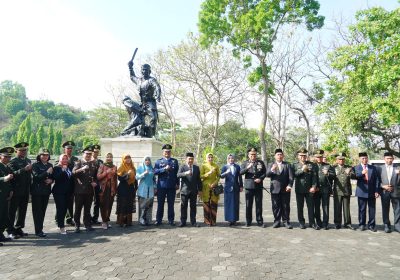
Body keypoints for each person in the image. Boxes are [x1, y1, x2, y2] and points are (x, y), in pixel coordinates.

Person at [125, 62, 161, 137]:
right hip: (141, 103)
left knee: (153, 118)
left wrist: (158, 95)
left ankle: (151, 135)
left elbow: (157, 87)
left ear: (149, 71)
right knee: (136, 119)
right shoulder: (139, 80)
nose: (144, 71)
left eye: (146, 70)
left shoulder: (151, 80)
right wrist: (130, 68)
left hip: (150, 102)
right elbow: (132, 77)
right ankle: (134, 131)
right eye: (143, 70)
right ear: (141, 71)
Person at [8, 142, 32, 238]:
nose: (23, 152)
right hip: (16, 190)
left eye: (25, 150)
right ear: (16, 151)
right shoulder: (12, 161)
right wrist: (24, 169)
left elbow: (29, 177)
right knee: (12, 212)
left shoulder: (28, 160)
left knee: (22, 211)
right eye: (21, 150)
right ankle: (10, 230)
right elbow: (12, 174)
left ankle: (18, 228)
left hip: (25, 190)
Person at [266, 149, 294, 229]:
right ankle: (277, 221)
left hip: (285, 189)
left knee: (285, 206)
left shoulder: (287, 165)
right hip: (275, 189)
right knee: (276, 206)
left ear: (283, 156)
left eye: (281, 154)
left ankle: (286, 221)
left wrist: (290, 185)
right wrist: (272, 169)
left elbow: (291, 177)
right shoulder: (271, 164)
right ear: (275, 156)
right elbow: (267, 174)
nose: (279, 156)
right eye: (278, 154)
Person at [72, 146, 97, 233]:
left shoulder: (93, 163)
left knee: (87, 209)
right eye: (87, 153)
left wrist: (95, 182)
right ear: (83, 154)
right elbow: (73, 173)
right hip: (79, 190)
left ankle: (87, 224)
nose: (88, 155)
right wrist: (81, 169)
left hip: (89, 191)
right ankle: (77, 225)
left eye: (90, 154)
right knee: (78, 209)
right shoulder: (79, 162)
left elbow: (96, 176)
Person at [292, 148, 319, 230]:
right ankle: (301, 222)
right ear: (298, 156)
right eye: (301, 155)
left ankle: (312, 223)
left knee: (311, 207)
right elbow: (294, 175)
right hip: (299, 189)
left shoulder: (312, 164)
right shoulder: (294, 165)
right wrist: (302, 170)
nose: (303, 157)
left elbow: (314, 177)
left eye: (304, 155)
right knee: (300, 207)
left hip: (309, 190)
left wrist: (314, 187)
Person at [240, 148, 267, 227]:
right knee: (248, 205)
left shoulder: (260, 162)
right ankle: (248, 221)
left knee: (259, 205)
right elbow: (240, 172)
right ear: (248, 155)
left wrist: (260, 179)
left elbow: (264, 173)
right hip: (249, 186)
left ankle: (259, 221)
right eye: (251, 154)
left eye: (254, 154)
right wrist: (247, 167)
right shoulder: (245, 163)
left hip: (258, 186)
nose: (253, 156)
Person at [353, 152, 380, 232]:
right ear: (360, 159)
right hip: (361, 192)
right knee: (362, 209)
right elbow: (355, 177)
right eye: (363, 158)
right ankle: (362, 224)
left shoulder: (373, 168)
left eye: (366, 158)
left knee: (372, 209)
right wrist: (362, 173)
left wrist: (377, 190)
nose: (365, 160)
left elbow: (377, 180)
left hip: (372, 192)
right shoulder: (356, 168)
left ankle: (371, 225)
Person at [154, 144, 179, 226]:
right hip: (161, 186)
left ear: (170, 152)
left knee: (171, 204)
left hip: (171, 186)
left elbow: (176, 174)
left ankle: (171, 220)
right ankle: (158, 220)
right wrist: (164, 169)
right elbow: (155, 172)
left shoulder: (174, 161)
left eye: (168, 151)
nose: (167, 153)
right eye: (165, 151)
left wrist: (177, 183)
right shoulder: (158, 161)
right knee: (160, 204)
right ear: (163, 152)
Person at [31, 148, 53, 237]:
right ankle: (38, 230)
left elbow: (52, 176)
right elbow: (36, 177)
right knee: (37, 212)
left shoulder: (50, 165)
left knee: (43, 211)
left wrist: (51, 180)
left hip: (46, 191)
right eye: (43, 155)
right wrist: (46, 172)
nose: (45, 156)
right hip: (37, 191)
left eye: (46, 155)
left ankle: (40, 229)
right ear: (39, 156)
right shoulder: (35, 165)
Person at [177, 152, 202, 227]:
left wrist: (200, 190)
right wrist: (185, 173)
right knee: (183, 206)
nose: (190, 160)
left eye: (192, 159)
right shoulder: (182, 166)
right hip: (185, 190)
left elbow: (198, 180)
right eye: (189, 159)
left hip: (194, 190)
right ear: (186, 159)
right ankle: (183, 221)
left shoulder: (196, 168)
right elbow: (178, 175)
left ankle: (193, 222)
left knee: (193, 206)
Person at [377, 152, 400, 233]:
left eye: (391, 158)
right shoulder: (379, 168)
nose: (389, 160)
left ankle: (397, 226)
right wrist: (383, 186)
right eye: (387, 158)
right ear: (384, 159)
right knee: (385, 209)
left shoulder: (398, 168)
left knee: (397, 210)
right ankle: (386, 225)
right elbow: (377, 181)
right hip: (384, 192)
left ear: (393, 159)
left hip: (395, 192)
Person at [332, 152, 354, 230]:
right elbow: (331, 178)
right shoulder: (333, 167)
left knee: (346, 208)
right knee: (337, 208)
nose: (341, 161)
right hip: (337, 190)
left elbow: (354, 176)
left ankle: (347, 223)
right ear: (337, 160)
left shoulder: (349, 167)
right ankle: (337, 223)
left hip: (346, 190)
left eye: (343, 159)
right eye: (339, 159)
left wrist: (349, 174)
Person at [314, 149, 335, 230]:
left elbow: (333, 176)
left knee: (325, 207)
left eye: (320, 157)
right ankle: (318, 223)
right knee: (317, 207)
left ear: (322, 157)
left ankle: (325, 223)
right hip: (316, 190)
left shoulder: (328, 166)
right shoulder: (313, 166)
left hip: (325, 189)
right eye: (317, 157)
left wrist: (328, 173)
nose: (319, 158)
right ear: (315, 157)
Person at [52, 154, 73, 234]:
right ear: (60, 160)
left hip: (68, 192)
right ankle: (61, 226)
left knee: (64, 209)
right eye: (63, 159)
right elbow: (56, 178)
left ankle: (62, 224)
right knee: (60, 208)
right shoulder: (57, 168)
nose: (65, 160)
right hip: (59, 192)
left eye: (66, 159)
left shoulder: (69, 167)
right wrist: (63, 170)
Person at [220, 154, 243, 226]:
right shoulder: (225, 166)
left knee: (235, 204)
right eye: (229, 158)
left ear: (234, 159)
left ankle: (235, 219)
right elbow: (221, 176)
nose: (231, 159)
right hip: (228, 187)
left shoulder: (237, 166)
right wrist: (226, 172)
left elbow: (240, 177)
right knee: (228, 204)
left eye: (232, 158)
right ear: (227, 159)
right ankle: (229, 220)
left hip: (236, 187)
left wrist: (241, 186)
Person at [96, 152, 117, 230]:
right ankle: (104, 221)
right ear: (106, 158)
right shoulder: (102, 166)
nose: (109, 158)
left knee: (110, 205)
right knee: (103, 205)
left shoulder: (114, 167)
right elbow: (98, 177)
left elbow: (115, 179)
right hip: (104, 189)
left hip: (111, 189)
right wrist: (106, 172)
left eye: (110, 157)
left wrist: (115, 189)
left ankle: (107, 220)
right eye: (108, 157)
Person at [200, 153, 220, 226]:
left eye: (211, 157)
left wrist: (215, 182)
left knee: (214, 204)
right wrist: (208, 173)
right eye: (209, 157)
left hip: (214, 187)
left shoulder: (216, 166)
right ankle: (207, 221)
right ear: (206, 158)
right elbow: (200, 176)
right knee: (206, 204)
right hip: (206, 187)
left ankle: (213, 221)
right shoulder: (203, 165)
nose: (210, 159)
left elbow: (219, 176)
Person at [116, 154, 136, 227]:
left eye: (129, 158)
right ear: (123, 159)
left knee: (129, 204)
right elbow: (120, 179)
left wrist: (136, 188)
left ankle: (128, 222)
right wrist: (127, 174)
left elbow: (135, 179)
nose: (128, 159)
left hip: (130, 188)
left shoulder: (133, 167)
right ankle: (121, 222)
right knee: (123, 205)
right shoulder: (121, 167)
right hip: (123, 189)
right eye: (126, 158)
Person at [62, 141, 79, 226]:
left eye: (71, 148)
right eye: (68, 148)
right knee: (62, 202)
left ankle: (69, 218)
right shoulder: (61, 158)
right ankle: (59, 218)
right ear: (64, 149)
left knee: (70, 202)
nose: (69, 150)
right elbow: (56, 167)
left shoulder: (75, 159)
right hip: (63, 183)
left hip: (72, 183)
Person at [0, 147, 14, 244]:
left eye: (9, 157)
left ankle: (1, 234)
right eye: (5, 156)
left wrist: (11, 190)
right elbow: (5, 179)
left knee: (4, 216)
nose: (7, 159)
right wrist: (4, 178)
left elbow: (10, 181)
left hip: (5, 195)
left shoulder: (7, 166)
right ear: (0, 156)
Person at [136, 156, 155, 226]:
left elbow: (154, 178)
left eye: (148, 160)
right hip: (143, 189)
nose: (147, 161)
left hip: (150, 189)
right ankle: (141, 219)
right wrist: (143, 173)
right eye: (146, 160)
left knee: (149, 205)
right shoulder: (141, 167)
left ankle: (148, 219)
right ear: (144, 161)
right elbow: (137, 177)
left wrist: (155, 187)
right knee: (142, 205)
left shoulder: (152, 168)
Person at [91, 144, 103, 225]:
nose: (96, 153)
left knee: (97, 202)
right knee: (87, 202)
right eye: (94, 152)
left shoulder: (100, 162)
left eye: (97, 152)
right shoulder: (88, 160)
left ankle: (95, 218)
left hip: (97, 184)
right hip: (89, 184)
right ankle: (87, 218)